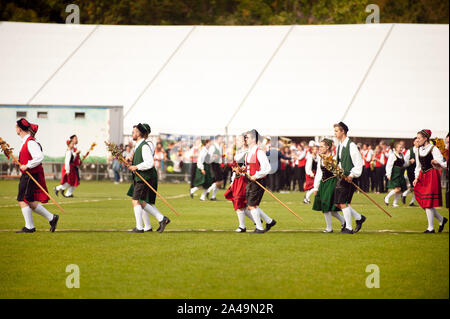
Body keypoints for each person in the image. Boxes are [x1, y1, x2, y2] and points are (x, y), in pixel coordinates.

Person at [15, 118, 59, 233]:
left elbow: (39, 157)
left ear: (19, 129)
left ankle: (31, 226)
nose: (16, 129)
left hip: (31, 175)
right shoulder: (25, 142)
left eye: (16, 127)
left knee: (24, 199)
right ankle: (49, 218)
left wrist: (27, 165)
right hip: (27, 175)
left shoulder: (30, 142)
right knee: (26, 200)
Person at [126, 123, 170, 233]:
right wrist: (132, 162)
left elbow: (149, 162)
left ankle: (140, 227)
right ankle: (160, 219)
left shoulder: (145, 145)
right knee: (141, 202)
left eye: (134, 132)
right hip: (140, 176)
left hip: (144, 177)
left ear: (139, 133)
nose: (133, 134)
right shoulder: (139, 145)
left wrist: (136, 166)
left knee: (136, 201)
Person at [333, 122, 366, 234]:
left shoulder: (351, 145)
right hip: (342, 176)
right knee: (337, 203)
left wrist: (352, 175)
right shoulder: (340, 145)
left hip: (349, 177)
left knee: (343, 202)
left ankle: (349, 228)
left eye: (337, 131)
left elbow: (358, 163)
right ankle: (359, 218)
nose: (335, 133)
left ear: (343, 131)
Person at [413, 129, 448, 233]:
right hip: (422, 176)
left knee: (427, 203)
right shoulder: (418, 150)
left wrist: (436, 162)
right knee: (424, 202)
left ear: (425, 138)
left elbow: (444, 163)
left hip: (432, 175)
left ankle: (430, 228)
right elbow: (418, 166)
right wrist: (416, 178)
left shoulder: (434, 149)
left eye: (419, 138)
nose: (417, 140)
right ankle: (441, 219)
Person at [245, 129, 276, 233]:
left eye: (247, 137)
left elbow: (267, 168)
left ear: (253, 139)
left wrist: (256, 175)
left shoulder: (259, 152)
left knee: (251, 205)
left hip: (258, 181)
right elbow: (249, 167)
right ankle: (269, 221)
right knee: (250, 205)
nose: (246, 139)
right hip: (250, 181)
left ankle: (259, 228)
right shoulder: (249, 152)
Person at [312, 139, 346, 233]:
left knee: (327, 204)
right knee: (328, 207)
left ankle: (329, 228)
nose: (320, 148)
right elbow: (319, 172)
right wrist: (316, 187)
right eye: (320, 146)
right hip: (323, 183)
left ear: (328, 147)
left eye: (322, 146)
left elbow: (339, 171)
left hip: (332, 182)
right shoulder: (320, 158)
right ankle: (344, 221)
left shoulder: (334, 157)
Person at [224, 133, 256, 232]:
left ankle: (242, 226)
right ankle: (257, 221)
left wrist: (242, 169)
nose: (237, 142)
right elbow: (234, 167)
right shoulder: (239, 152)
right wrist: (233, 179)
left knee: (239, 202)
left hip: (243, 179)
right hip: (237, 179)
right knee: (241, 204)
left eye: (240, 140)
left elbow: (250, 166)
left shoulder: (249, 152)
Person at [384, 142, 409, 207]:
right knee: (397, 188)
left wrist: (409, 162)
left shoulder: (402, 155)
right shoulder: (393, 155)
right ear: (396, 148)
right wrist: (388, 174)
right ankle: (386, 197)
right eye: (400, 147)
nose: (401, 149)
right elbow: (389, 165)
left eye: (402, 147)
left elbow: (404, 164)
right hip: (395, 173)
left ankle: (394, 203)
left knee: (401, 189)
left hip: (401, 174)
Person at [402, 137, 419, 206]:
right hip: (411, 171)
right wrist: (409, 161)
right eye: (416, 141)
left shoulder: (421, 150)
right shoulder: (410, 151)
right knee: (415, 187)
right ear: (414, 142)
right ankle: (405, 195)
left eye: (419, 141)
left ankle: (411, 201)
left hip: (418, 171)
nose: (418, 142)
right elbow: (404, 162)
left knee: (416, 187)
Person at [206, 136, 224, 200]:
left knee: (220, 182)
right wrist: (213, 156)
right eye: (220, 139)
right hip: (213, 164)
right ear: (216, 139)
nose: (221, 140)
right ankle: (208, 191)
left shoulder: (220, 147)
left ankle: (213, 196)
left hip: (218, 164)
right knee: (218, 181)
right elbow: (208, 156)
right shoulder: (213, 147)